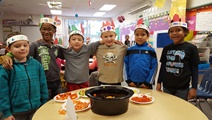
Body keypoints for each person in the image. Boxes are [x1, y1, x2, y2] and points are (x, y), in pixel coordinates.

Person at [1, 17, 62, 99]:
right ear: (40, 30)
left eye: (49, 29)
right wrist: (8, 55)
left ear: (54, 31)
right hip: (43, 82)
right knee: (45, 104)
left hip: (57, 81)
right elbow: (21, 53)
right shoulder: (35, 45)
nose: (46, 32)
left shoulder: (56, 47)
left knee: (59, 104)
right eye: (44, 29)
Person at [0, 34, 48, 120]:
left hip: (36, 107)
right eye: (17, 46)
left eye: (25, 45)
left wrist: (44, 103)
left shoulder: (36, 64)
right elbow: (2, 92)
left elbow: (43, 85)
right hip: (17, 112)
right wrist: (6, 113)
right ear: (8, 49)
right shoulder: (6, 67)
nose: (22, 48)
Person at [156, 19, 200, 100]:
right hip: (167, 86)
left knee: (180, 109)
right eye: (171, 31)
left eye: (178, 30)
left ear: (185, 32)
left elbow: (194, 69)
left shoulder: (191, 48)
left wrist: (194, 88)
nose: (174, 33)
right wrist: (159, 82)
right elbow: (163, 67)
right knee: (167, 107)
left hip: (182, 88)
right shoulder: (166, 48)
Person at [124, 21, 158, 89]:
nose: (139, 37)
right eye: (137, 35)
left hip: (146, 84)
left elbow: (154, 67)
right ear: (134, 36)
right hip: (132, 83)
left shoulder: (151, 50)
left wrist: (148, 82)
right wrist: (128, 80)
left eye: (143, 35)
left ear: (148, 36)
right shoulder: (130, 50)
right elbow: (125, 65)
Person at [96, 21, 127, 85]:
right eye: (105, 37)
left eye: (111, 36)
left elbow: (133, 50)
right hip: (102, 80)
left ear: (115, 35)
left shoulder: (122, 47)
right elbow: (87, 49)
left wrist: (147, 45)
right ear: (101, 37)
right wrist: (99, 42)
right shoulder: (98, 48)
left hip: (116, 81)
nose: (109, 39)